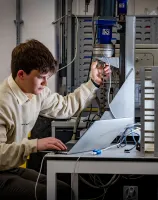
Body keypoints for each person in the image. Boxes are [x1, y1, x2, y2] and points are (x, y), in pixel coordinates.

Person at [0, 39, 111, 200]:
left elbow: (65, 106)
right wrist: (35, 144)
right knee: (49, 194)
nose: (45, 83)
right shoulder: (3, 102)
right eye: (41, 77)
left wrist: (93, 83)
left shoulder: (36, 91)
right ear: (21, 74)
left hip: (10, 167)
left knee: (63, 190)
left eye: (47, 77)